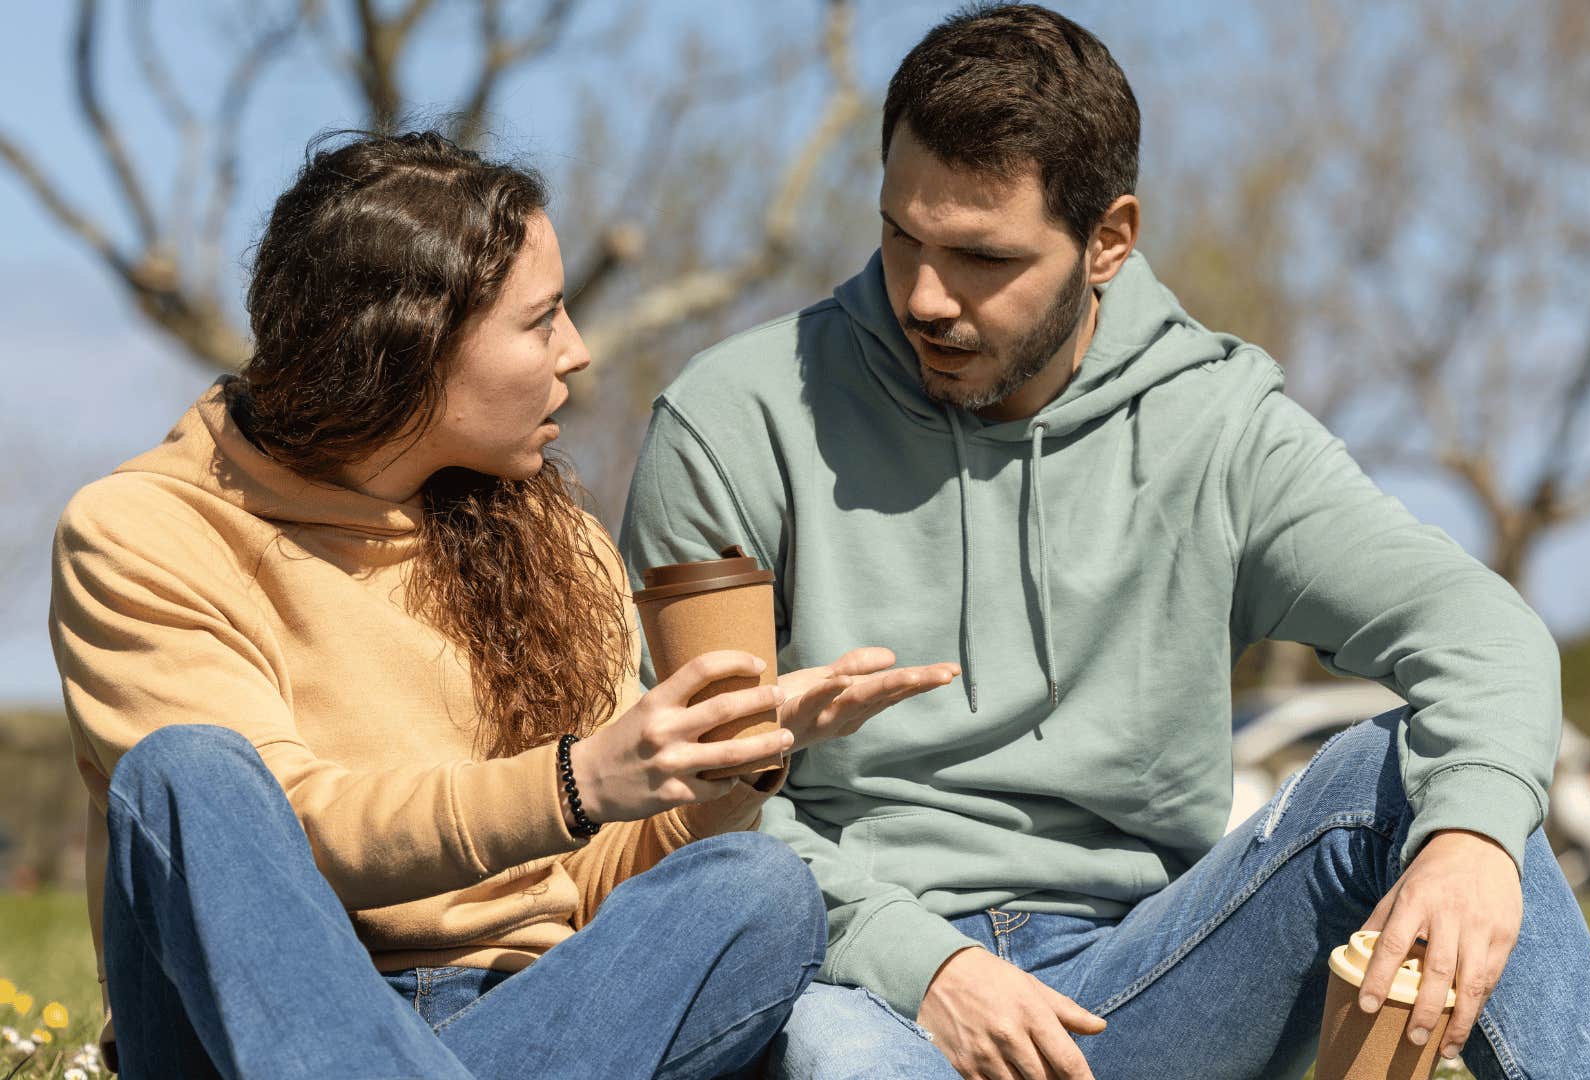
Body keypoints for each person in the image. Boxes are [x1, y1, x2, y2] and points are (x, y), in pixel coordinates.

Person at [618, 6, 1590, 1079]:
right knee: (841, 1060)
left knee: (1443, 795)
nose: (924, 295)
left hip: (1140, 982)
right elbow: (694, 805)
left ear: (1108, 241)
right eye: (901, 236)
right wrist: (920, 963)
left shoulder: (1215, 428)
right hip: (856, 981)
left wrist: (1475, 841)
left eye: (982, 257)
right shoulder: (734, 420)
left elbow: (1482, 632)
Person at [49, 130, 948, 1079]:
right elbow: (290, 835)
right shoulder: (142, 531)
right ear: (410, 343)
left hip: (541, 1017)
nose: (579, 350)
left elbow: (596, 885)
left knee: (762, 887)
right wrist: (575, 781)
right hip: (248, 1021)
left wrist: (727, 768)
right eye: (543, 318)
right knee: (186, 773)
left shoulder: (558, 547)